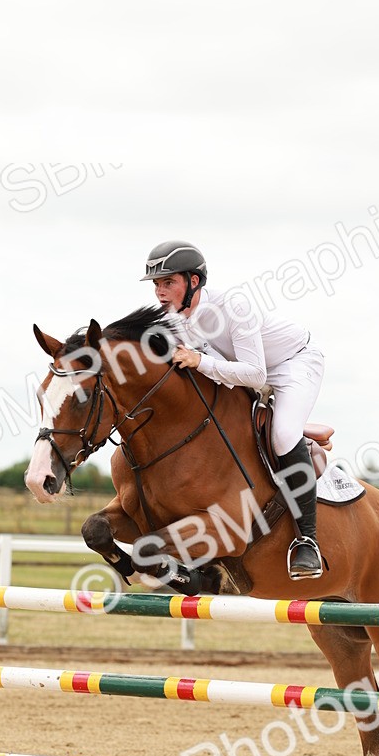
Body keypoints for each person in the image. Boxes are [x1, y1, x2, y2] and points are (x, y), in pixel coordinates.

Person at [140, 240, 326, 580]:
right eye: (156, 284)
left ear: (193, 281)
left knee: (284, 434)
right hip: (244, 373)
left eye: (168, 282)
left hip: (293, 365)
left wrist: (199, 360)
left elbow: (256, 374)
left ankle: (307, 541)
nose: (160, 292)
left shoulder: (233, 306)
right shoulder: (173, 318)